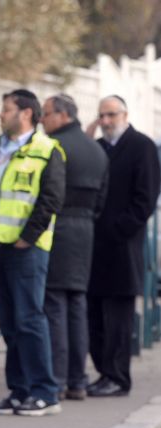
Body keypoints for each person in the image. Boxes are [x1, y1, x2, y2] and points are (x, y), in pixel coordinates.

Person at [0, 89, 66, 416]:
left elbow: (51, 200)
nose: (1, 115)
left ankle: (46, 392)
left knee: (30, 320)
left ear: (26, 113)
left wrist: (27, 238)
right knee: (11, 324)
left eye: (6, 109)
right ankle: (19, 391)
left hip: (26, 250)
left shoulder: (47, 150)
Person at [85, 95, 160, 397]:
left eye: (111, 115)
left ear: (124, 114)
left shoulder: (141, 146)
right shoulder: (100, 147)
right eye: (101, 115)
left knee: (118, 319)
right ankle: (104, 373)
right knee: (95, 315)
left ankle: (117, 377)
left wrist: (118, 230)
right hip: (94, 247)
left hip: (123, 247)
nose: (105, 121)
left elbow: (145, 200)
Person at [40, 94, 108, 401]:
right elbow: (102, 200)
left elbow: (49, 194)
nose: (42, 120)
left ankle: (57, 379)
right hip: (86, 231)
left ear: (63, 115)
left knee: (54, 304)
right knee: (77, 304)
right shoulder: (96, 149)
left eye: (46, 114)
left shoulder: (56, 147)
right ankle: (78, 380)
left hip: (59, 228)